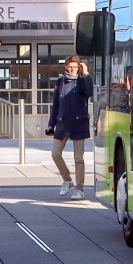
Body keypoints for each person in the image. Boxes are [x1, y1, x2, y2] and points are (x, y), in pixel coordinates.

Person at [46, 57, 95, 200]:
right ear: (66, 67)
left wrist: (86, 74)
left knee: (78, 158)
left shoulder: (82, 81)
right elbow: (55, 105)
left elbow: (89, 92)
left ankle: (79, 188)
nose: (72, 69)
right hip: (62, 123)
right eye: (70, 66)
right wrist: (51, 124)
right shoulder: (60, 82)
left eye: (75, 66)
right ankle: (67, 180)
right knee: (55, 154)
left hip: (78, 123)